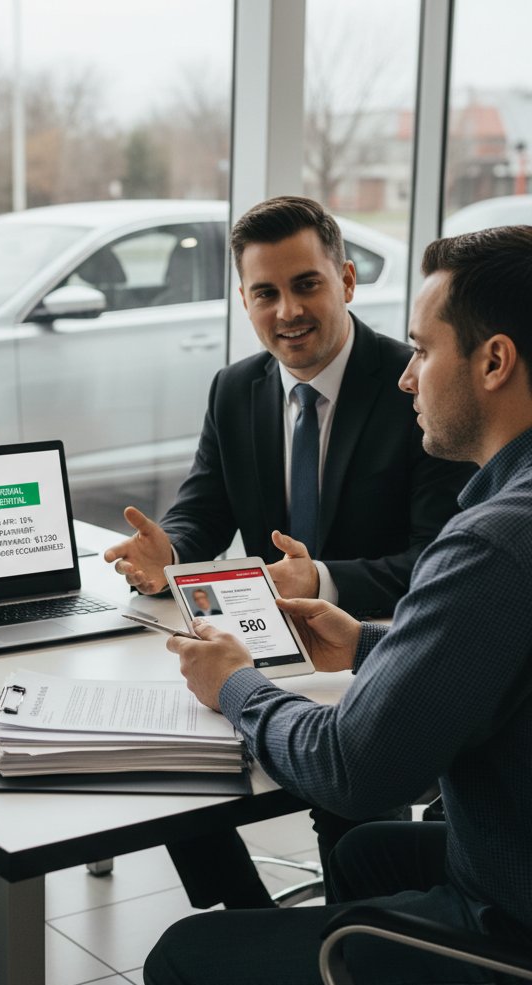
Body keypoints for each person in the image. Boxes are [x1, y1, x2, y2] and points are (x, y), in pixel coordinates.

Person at [145, 225, 532, 985]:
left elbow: (352, 766)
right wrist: (365, 641)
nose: (408, 376)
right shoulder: (509, 522)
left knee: (180, 960)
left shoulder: (494, 541)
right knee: (366, 854)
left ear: (495, 361)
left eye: (424, 351)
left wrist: (237, 686)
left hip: (512, 936)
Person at [104, 195, 473, 911]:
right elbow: (204, 508)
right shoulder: (235, 388)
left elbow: (437, 557)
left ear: (347, 279)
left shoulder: (416, 386)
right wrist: (168, 551)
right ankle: (246, 916)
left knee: (352, 814)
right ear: (244, 299)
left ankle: (355, 936)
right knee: (169, 750)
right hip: (266, 643)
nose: (288, 311)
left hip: (375, 652)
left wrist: (324, 580)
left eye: (306, 285)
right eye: (265, 293)